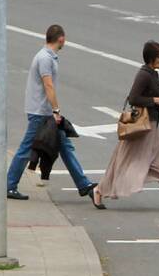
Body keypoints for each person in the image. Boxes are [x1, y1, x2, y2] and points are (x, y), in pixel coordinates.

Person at [92, 41, 159, 210]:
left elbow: (148, 97)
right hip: (143, 129)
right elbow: (133, 98)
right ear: (152, 58)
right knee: (123, 161)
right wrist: (155, 100)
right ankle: (99, 190)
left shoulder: (153, 73)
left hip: (153, 127)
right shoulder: (144, 75)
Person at [5, 24, 96, 201]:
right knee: (26, 147)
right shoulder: (45, 58)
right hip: (40, 112)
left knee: (64, 145)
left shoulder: (46, 56)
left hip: (43, 111)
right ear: (60, 39)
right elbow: (48, 85)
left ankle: (83, 184)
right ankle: (9, 185)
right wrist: (56, 110)